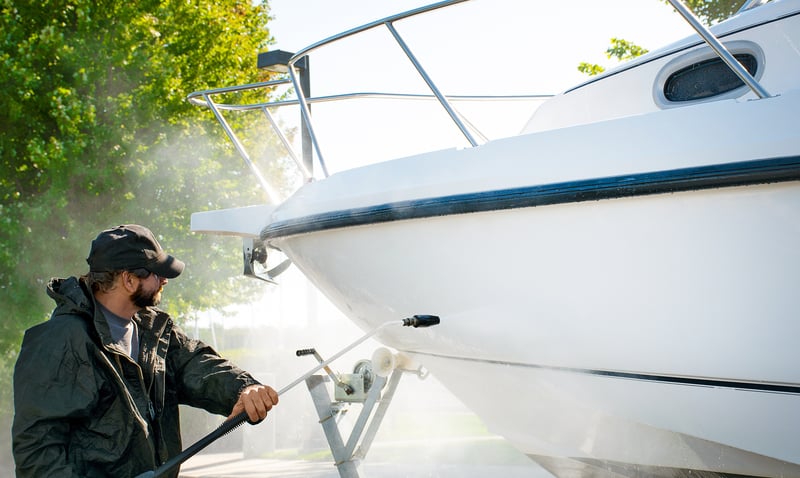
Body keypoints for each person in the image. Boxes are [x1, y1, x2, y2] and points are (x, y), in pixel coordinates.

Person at [12, 224, 279, 477]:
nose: (164, 280)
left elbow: (196, 365)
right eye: (156, 273)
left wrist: (243, 389)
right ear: (128, 279)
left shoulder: (155, 330)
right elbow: (37, 452)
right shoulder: (59, 341)